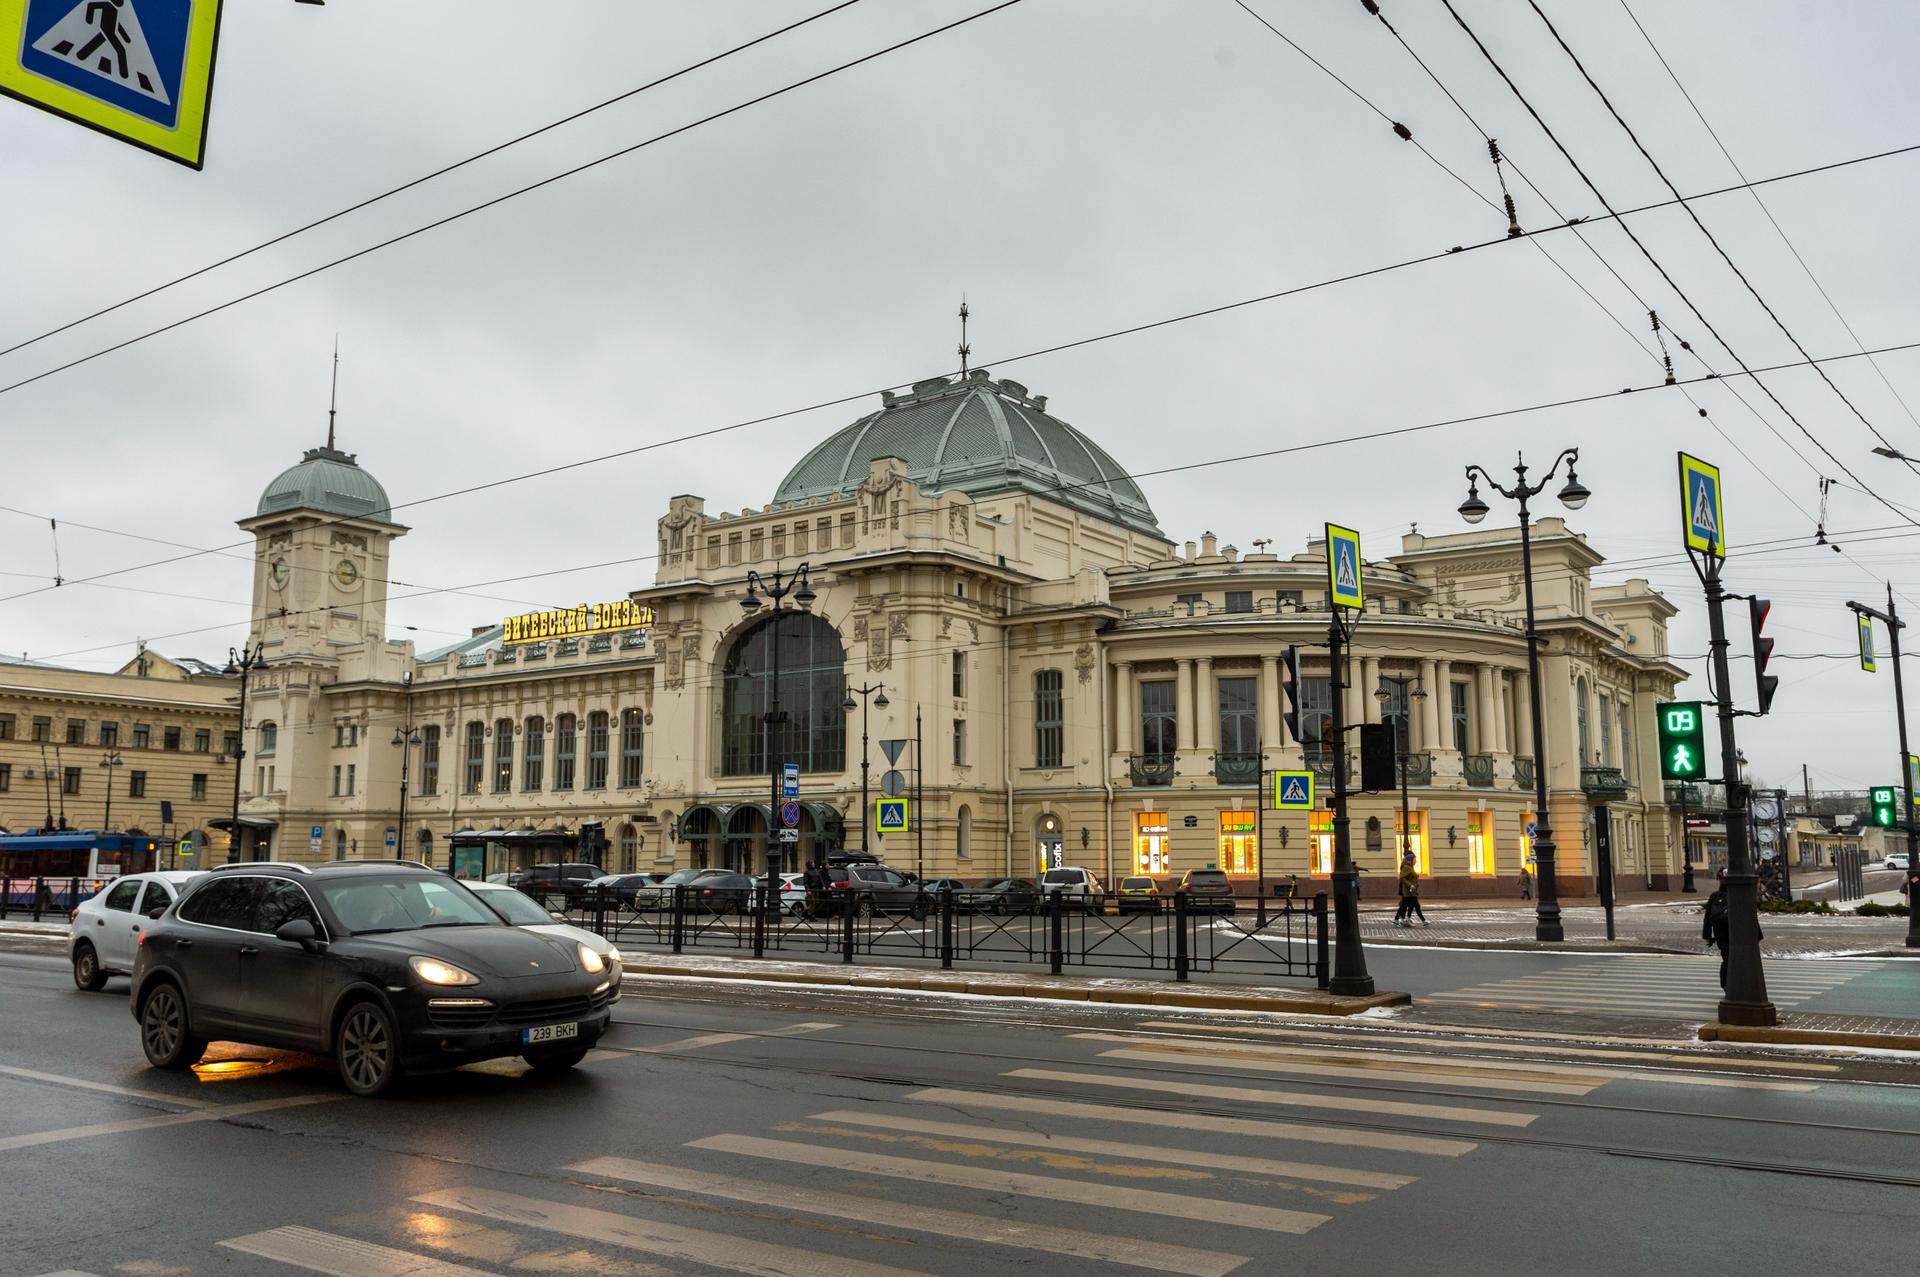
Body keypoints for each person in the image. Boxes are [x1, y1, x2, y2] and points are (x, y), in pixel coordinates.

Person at [1393, 853, 1428, 927]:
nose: (1416, 861)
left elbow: (1410, 877)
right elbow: (1402, 878)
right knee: (1412, 905)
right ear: (1410, 860)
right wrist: (1410, 885)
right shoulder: (1406, 867)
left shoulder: (1410, 867)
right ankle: (1423, 921)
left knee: (1407, 905)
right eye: (1414, 859)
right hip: (1409, 891)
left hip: (1411, 891)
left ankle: (1397, 920)